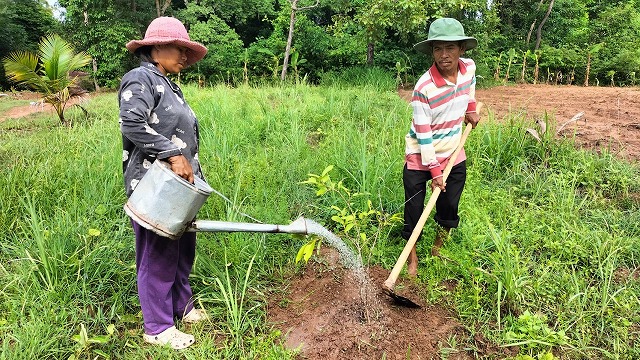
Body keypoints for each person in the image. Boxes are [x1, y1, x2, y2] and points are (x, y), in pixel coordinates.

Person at [118, 16, 208, 350]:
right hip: (153, 185)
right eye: (178, 49)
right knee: (158, 254)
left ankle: (180, 307)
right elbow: (132, 123)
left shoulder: (168, 83)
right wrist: (173, 154)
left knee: (183, 246)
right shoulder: (140, 78)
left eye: (187, 50)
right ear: (156, 48)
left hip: (178, 187)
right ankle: (157, 327)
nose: (184, 56)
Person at [402, 18, 480, 277]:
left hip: (453, 152)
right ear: (432, 51)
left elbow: (470, 88)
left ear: (462, 50)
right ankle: (412, 259)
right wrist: (434, 171)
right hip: (420, 153)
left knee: (449, 206)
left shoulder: (468, 68)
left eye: (450, 48)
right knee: (414, 208)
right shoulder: (423, 88)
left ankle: (437, 249)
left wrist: (470, 109)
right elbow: (423, 135)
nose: (444, 55)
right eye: (438, 49)